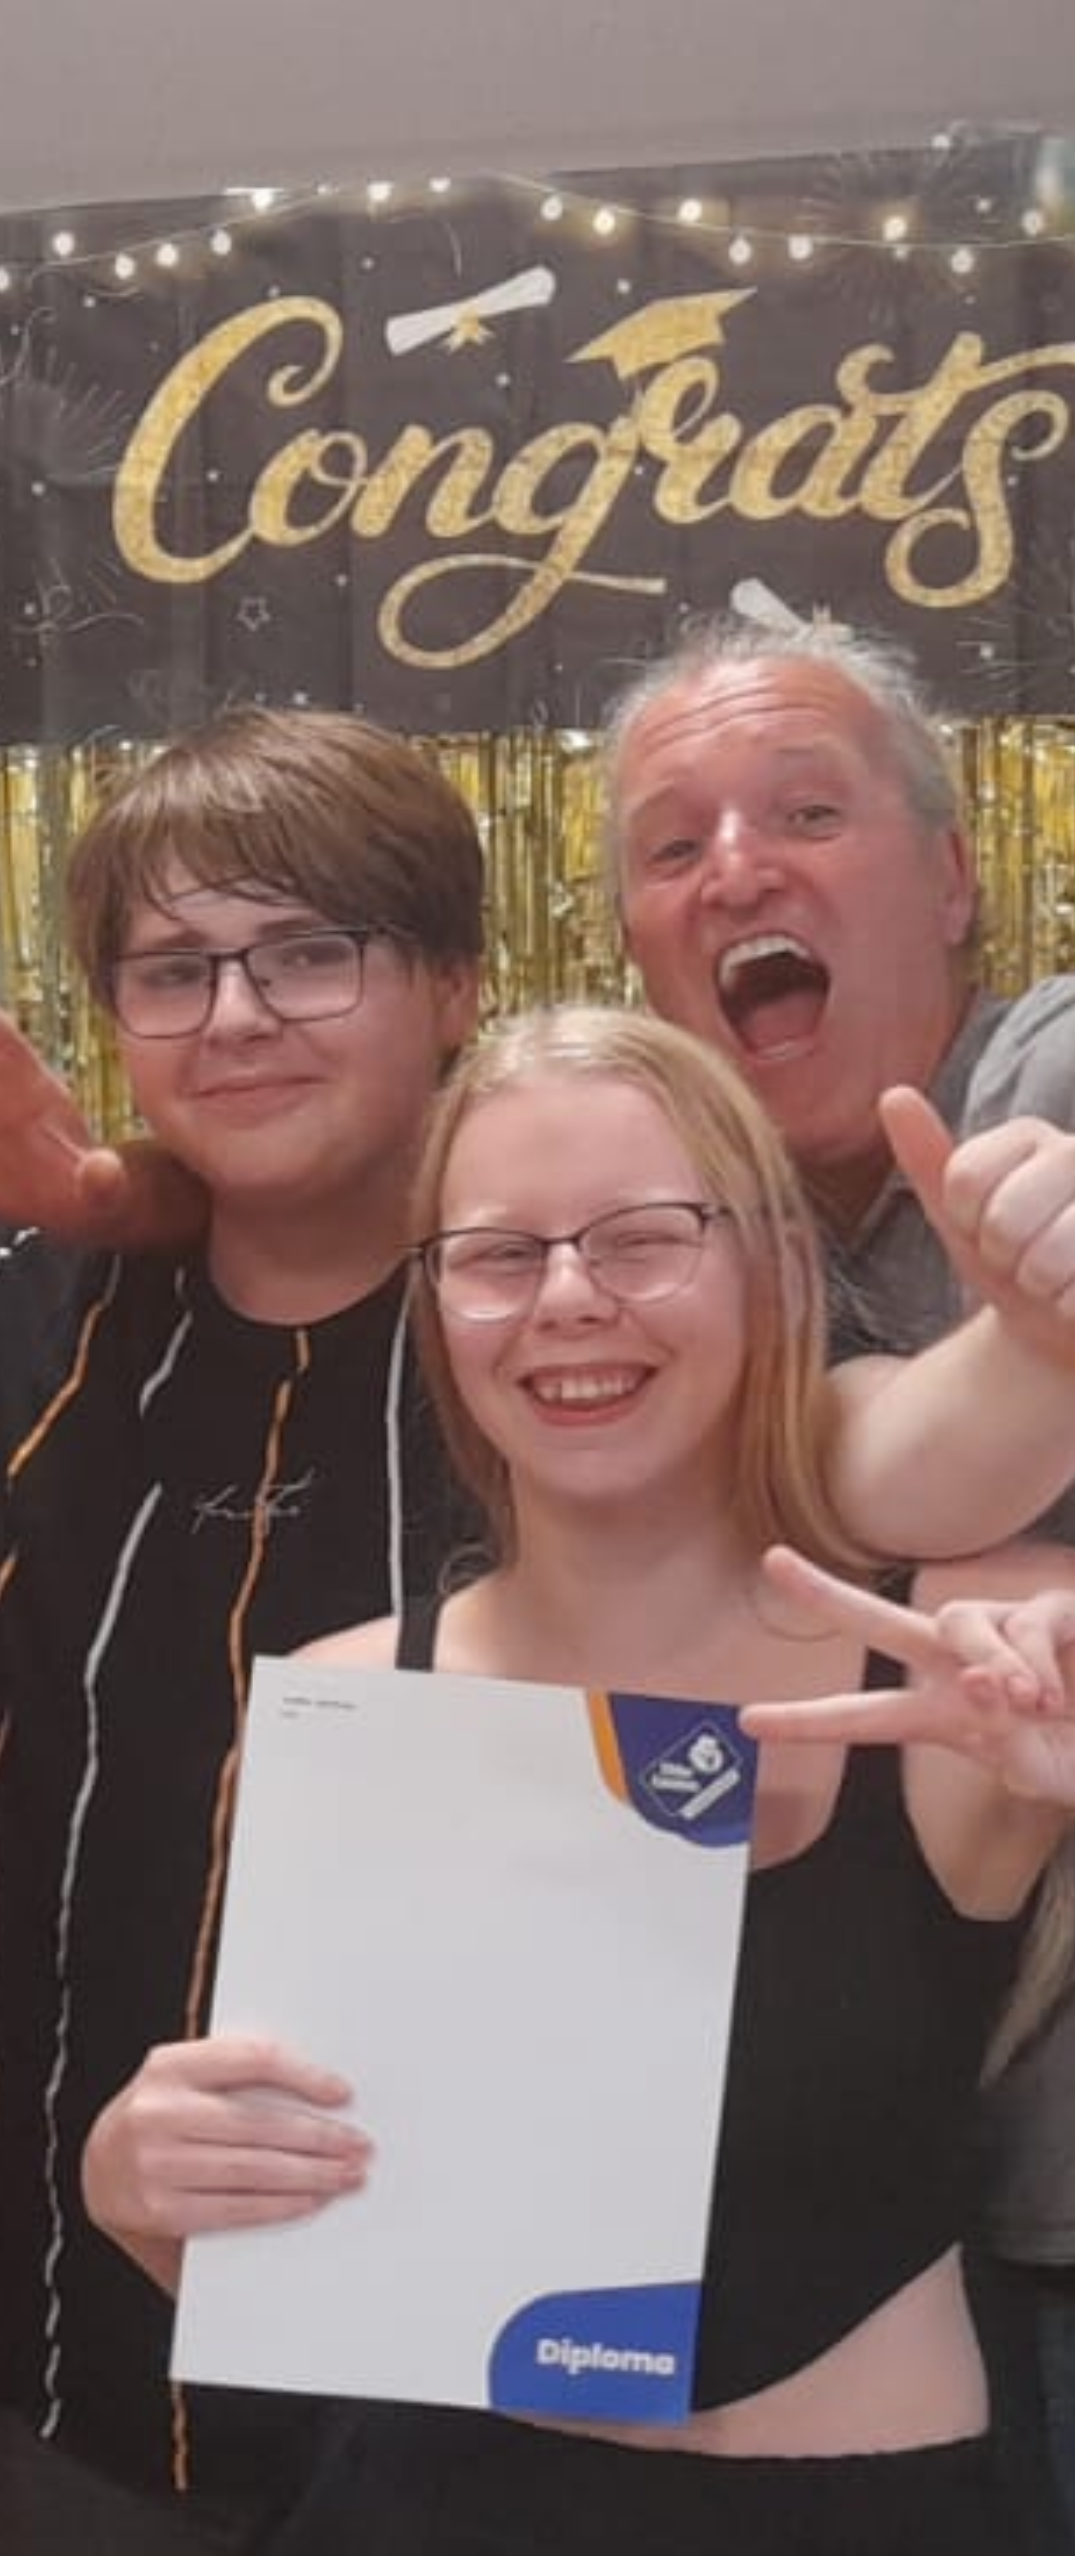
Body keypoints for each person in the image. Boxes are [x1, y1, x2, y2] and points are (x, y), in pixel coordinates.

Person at [2, 708, 1075, 2556]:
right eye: (500, 1253)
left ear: (768, 1267)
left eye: (641, 1237)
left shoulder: (946, 1638)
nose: (567, 1302)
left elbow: (915, 1444)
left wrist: (1064, 1348)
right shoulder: (337, 1672)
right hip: (315, 2463)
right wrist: (152, 2188)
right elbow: (320, 2201)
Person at [603, 613, 1075, 2556]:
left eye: (805, 812)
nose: (734, 871)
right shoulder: (701, 1262)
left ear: (951, 879)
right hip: (926, 2270)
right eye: (671, 845)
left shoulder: (1065, 1072)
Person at [0, 705, 486, 2555]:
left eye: (306, 953)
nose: (234, 1017)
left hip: (492, 2402)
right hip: (60, 2388)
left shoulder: (581, 1331)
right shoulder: (45, 1327)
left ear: (453, 985)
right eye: (172, 971)